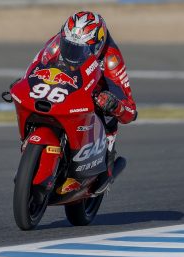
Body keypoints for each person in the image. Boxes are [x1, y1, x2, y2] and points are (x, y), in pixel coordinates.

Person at [36, 11, 137, 191]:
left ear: (97, 46)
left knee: (108, 112)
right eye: (68, 46)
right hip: (64, 90)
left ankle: (106, 165)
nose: (72, 53)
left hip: (93, 96)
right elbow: (37, 66)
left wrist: (115, 105)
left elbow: (130, 111)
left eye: (80, 49)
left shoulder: (111, 59)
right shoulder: (56, 43)